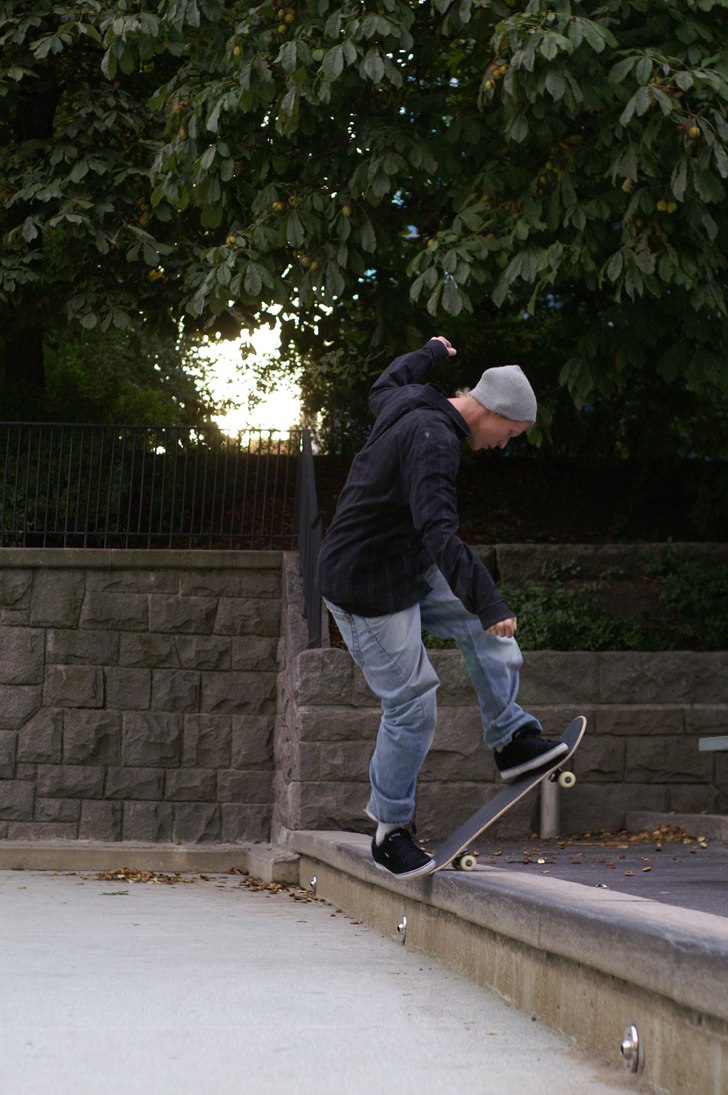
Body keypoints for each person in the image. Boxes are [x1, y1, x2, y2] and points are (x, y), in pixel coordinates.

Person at [316, 336, 568, 878]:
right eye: (510, 434)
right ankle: (390, 832)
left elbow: (384, 382)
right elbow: (439, 530)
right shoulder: (434, 440)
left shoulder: (411, 398)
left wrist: (430, 351)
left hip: (404, 561)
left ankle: (511, 738)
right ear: (492, 412)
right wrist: (490, 600)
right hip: (365, 585)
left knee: (486, 629)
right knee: (413, 702)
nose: (504, 445)